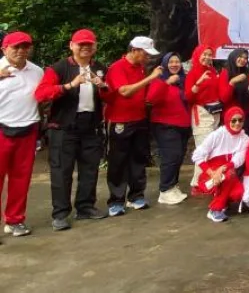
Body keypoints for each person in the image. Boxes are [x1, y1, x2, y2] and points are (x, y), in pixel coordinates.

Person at [34, 29, 108, 230]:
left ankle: (85, 207)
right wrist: (68, 85)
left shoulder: (99, 68)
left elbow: (110, 97)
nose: (85, 47)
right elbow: (41, 94)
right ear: (71, 45)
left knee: (90, 169)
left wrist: (103, 86)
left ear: (95, 47)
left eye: (89, 44)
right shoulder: (59, 68)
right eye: (81, 44)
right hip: (63, 127)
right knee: (62, 171)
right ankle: (60, 213)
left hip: (91, 126)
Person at [103, 36, 162, 217]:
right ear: (134, 50)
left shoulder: (141, 68)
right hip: (120, 120)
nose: (148, 58)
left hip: (139, 119)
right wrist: (150, 78)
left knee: (138, 159)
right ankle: (116, 200)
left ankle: (136, 195)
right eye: (145, 54)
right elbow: (125, 91)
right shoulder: (117, 67)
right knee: (118, 161)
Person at [0, 32, 44, 237]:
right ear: (4, 49)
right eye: (16, 47)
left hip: (28, 129)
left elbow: (43, 97)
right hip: (1, 129)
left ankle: (15, 220)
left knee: (21, 178)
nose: (20, 51)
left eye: (25, 47)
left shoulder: (37, 71)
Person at [146, 52, 191, 205]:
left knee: (178, 157)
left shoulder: (183, 80)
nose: (174, 64)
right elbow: (151, 99)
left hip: (183, 125)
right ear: (165, 64)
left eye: (177, 61)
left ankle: (173, 185)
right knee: (170, 157)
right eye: (171, 62)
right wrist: (167, 83)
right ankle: (165, 190)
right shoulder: (158, 80)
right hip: (165, 125)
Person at [191, 107, 249, 223]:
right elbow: (197, 155)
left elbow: (239, 159)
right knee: (229, 174)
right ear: (227, 120)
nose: (237, 123)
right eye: (233, 120)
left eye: (240, 120)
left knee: (238, 193)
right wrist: (212, 173)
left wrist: (223, 168)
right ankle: (215, 209)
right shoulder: (217, 135)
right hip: (210, 175)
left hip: (228, 172)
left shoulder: (244, 138)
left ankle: (223, 200)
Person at [185, 44, 221, 195]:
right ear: (197, 55)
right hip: (201, 114)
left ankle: (206, 182)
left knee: (212, 149)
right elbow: (188, 97)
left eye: (209, 54)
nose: (207, 57)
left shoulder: (212, 71)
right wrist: (198, 83)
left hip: (215, 113)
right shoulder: (192, 73)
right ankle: (197, 184)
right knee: (203, 149)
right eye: (204, 54)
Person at [218, 48, 249, 136]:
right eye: (240, 56)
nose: (243, 60)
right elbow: (224, 98)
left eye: (245, 58)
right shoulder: (225, 73)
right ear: (234, 56)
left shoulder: (248, 72)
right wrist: (232, 82)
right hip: (232, 117)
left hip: (247, 116)